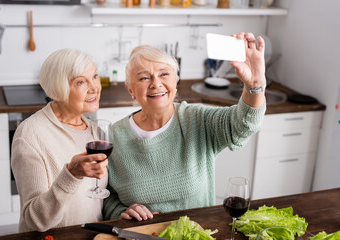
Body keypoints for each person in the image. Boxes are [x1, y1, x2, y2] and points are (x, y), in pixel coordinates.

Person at [103, 32, 267, 221]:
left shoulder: (197, 120)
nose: (156, 83)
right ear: (130, 90)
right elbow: (106, 197)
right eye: (144, 78)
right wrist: (120, 212)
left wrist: (255, 85)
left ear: (176, 80)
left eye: (164, 74)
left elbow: (243, 125)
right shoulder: (113, 136)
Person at [11, 49, 108, 232]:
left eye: (94, 76)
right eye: (80, 82)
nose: (94, 87)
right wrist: (72, 174)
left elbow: (100, 202)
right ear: (58, 88)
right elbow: (36, 220)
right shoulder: (30, 134)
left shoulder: (95, 131)